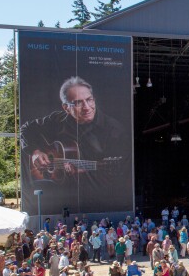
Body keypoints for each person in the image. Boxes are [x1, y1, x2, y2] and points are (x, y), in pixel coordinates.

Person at [21, 76, 128, 209]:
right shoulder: (57, 119)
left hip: (94, 199)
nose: (87, 107)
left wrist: (81, 170)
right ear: (66, 107)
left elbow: (118, 178)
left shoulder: (114, 131)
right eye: (78, 103)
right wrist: (35, 151)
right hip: (58, 195)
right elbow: (26, 129)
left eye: (89, 100)